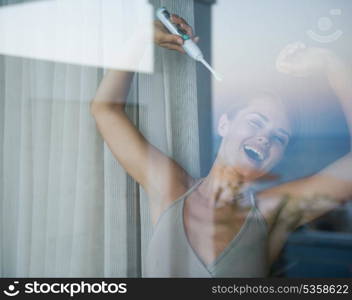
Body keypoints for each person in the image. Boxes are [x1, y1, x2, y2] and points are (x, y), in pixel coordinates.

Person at [90, 15, 352, 277]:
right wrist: (140, 39)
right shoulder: (171, 188)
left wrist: (333, 65)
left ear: (279, 156)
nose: (265, 138)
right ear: (224, 125)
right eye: (256, 122)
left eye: (279, 137)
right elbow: (106, 110)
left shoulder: (274, 211)